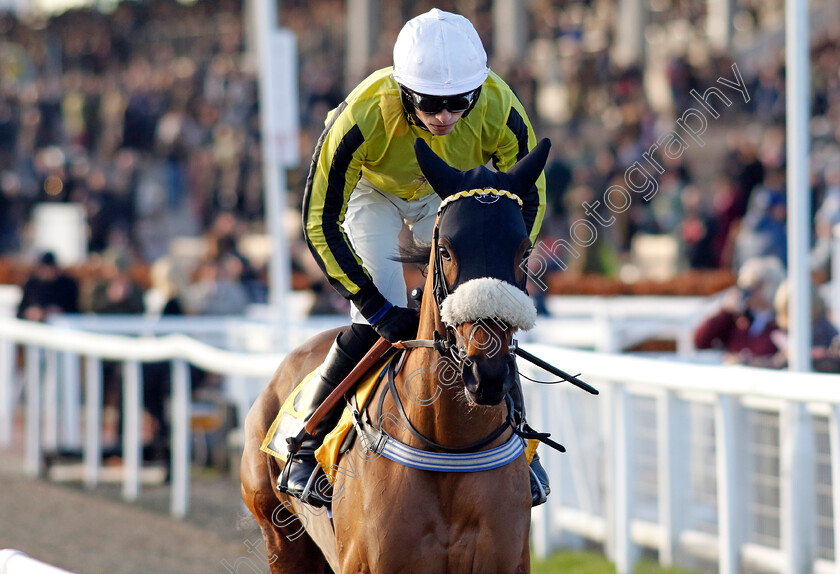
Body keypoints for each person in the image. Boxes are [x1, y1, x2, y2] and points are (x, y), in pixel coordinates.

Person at [283, 8, 548, 507]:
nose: (445, 116)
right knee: (378, 317)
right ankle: (306, 443)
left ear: (479, 89)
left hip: (449, 195)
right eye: (430, 103)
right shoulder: (362, 116)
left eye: (459, 103)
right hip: (371, 193)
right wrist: (376, 307)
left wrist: (505, 279)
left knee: (484, 313)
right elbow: (318, 220)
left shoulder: (500, 106)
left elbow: (527, 201)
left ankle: (522, 446)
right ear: (405, 90)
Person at [694, 256, 786, 364]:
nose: (748, 292)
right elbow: (700, 341)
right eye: (745, 287)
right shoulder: (737, 319)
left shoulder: (782, 321)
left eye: (755, 286)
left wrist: (747, 362)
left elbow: (780, 360)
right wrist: (725, 311)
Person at [16, 251, 79, 321]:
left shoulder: (68, 284)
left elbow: (75, 310)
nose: (47, 273)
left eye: (50, 270)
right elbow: (20, 311)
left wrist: (60, 311)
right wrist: (29, 312)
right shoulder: (32, 284)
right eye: (44, 270)